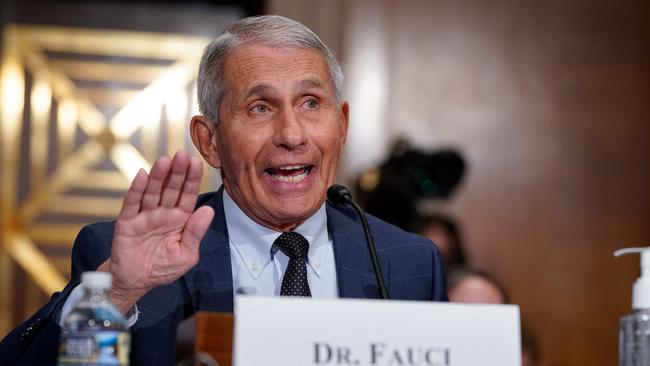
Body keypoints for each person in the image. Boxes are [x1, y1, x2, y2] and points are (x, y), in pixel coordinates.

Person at [0, 15, 447, 364]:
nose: (292, 134)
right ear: (209, 141)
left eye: (311, 103)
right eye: (260, 107)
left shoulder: (408, 263)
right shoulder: (126, 260)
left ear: (342, 123)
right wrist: (115, 294)